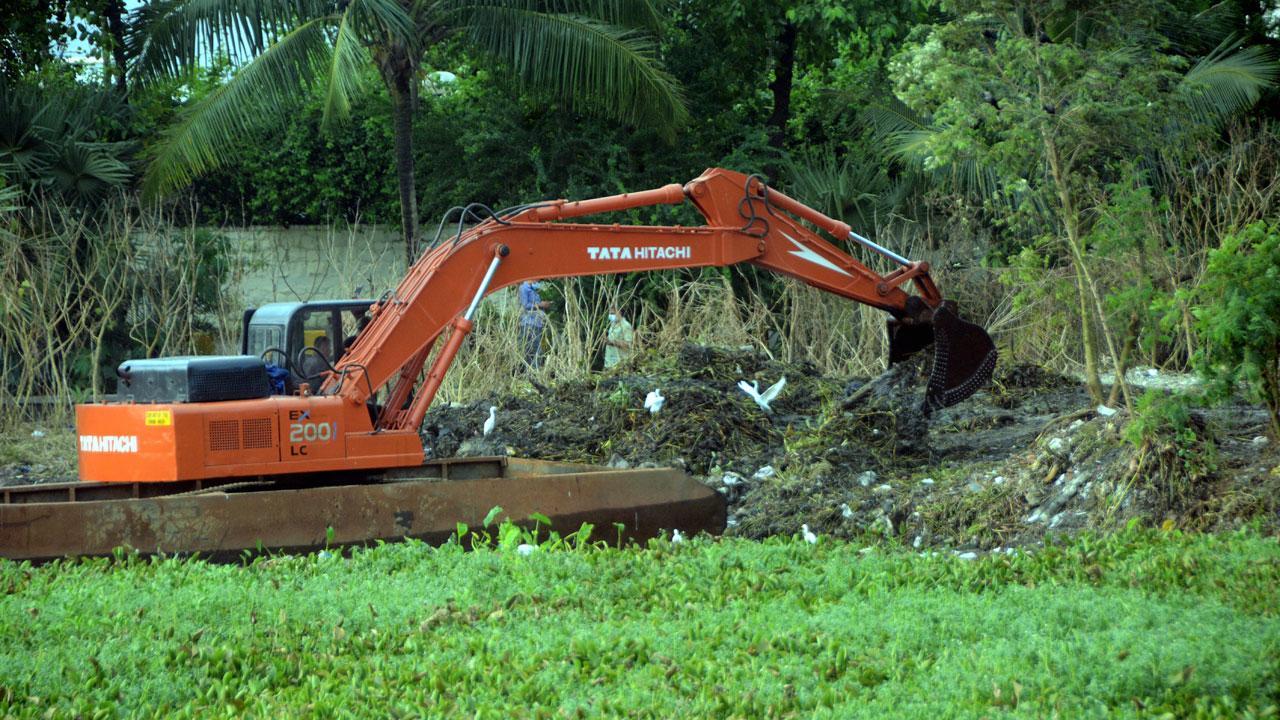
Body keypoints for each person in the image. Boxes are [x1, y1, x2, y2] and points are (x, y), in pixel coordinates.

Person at [518, 280, 551, 370]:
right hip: (529, 323)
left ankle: (531, 372)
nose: (538, 280)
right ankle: (533, 371)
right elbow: (525, 305)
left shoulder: (534, 289)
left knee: (534, 348)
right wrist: (541, 305)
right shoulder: (524, 288)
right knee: (533, 349)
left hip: (537, 323)